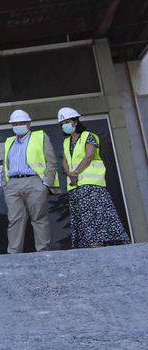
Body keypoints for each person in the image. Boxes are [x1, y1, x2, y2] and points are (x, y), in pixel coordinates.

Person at [57, 107, 128, 249]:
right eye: (63, 122)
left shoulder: (89, 136)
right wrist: (68, 173)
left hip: (92, 185)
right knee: (83, 219)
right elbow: (65, 160)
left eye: (68, 121)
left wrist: (75, 172)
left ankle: (101, 243)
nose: (65, 124)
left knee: (97, 216)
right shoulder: (66, 142)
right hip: (75, 187)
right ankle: (92, 245)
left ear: (75, 122)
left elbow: (89, 156)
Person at [0, 109, 56, 253]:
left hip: (34, 182)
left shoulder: (40, 137)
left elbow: (51, 161)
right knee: (14, 220)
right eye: (15, 123)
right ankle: (14, 253)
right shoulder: (9, 141)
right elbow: (5, 164)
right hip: (13, 184)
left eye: (21, 123)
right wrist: (5, 184)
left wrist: (46, 184)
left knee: (39, 218)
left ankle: (44, 252)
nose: (18, 125)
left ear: (29, 123)